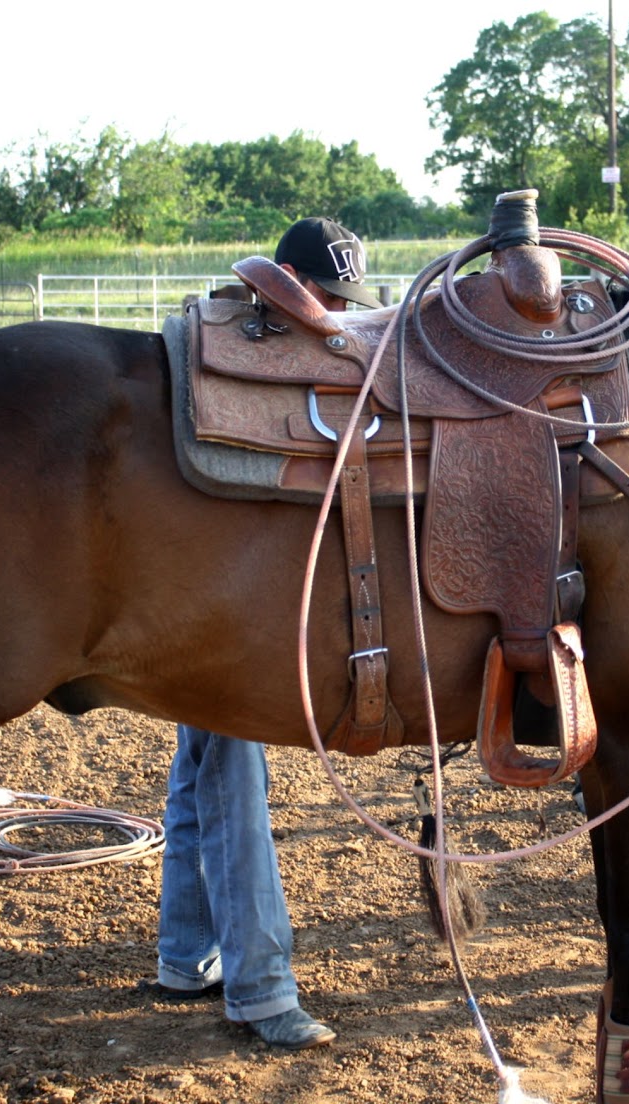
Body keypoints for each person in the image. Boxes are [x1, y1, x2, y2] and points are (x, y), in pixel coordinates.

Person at [146, 217, 380, 1048]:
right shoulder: (234, 361)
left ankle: (186, 953)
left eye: (344, 302)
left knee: (202, 765)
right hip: (219, 605)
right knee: (230, 772)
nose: (336, 316)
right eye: (324, 297)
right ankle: (259, 987)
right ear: (283, 286)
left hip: (210, 593)